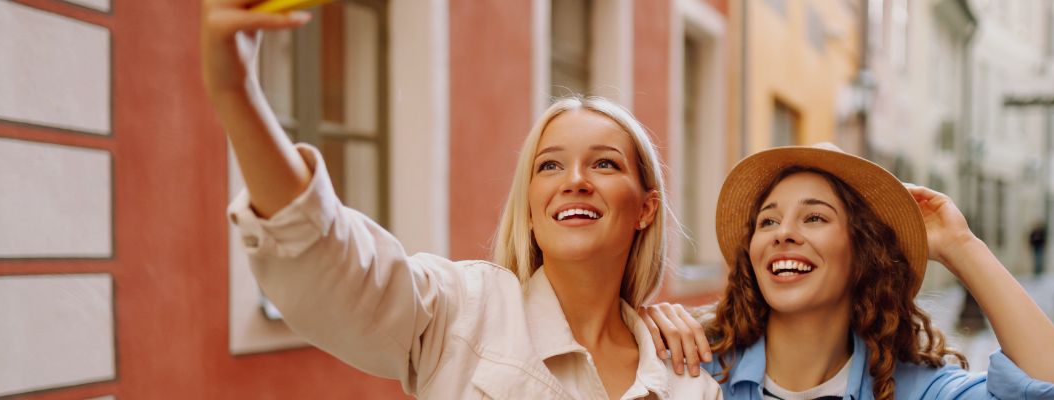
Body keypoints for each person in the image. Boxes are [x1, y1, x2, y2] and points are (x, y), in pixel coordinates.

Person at [199, 2, 721, 398]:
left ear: (646, 208)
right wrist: (238, 90)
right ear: (532, 209)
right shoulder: (458, 310)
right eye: (549, 165)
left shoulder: (687, 379)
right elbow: (330, 261)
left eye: (604, 163)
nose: (575, 181)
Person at [642, 143, 1054, 399]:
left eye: (815, 217)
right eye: (768, 220)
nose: (784, 233)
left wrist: (962, 247)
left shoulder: (919, 391)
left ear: (862, 253)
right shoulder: (699, 371)